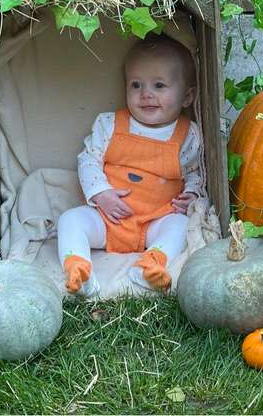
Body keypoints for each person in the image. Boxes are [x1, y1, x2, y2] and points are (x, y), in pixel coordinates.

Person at [57, 34, 205, 297]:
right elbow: (88, 160)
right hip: (107, 219)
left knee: (182, 226)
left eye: (159, 85)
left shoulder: (187, 135)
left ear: (187, 96)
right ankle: (79, 269)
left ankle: (150, 264)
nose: (146, 94)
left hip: (155, 220)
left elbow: (195, 172)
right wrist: (101, 194)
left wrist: (192, 195)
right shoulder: (110, 124)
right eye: (136, 85)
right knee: (70, 220)